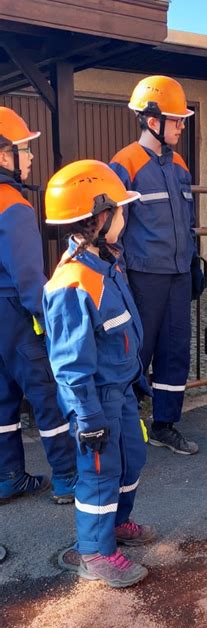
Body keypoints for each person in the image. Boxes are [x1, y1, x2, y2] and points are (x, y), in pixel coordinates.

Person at [43, 160, 156, 588]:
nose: (126, 218)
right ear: (100, 216)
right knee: (99, 473)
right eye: (121, 211)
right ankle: (93, 552)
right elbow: (71, 366)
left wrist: (136, 379)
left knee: (132, 460)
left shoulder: (105, 263)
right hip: (95, 403)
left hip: (120, 391)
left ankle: (116, 526)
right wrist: (88, 420)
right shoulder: (74, 282)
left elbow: (120, 331)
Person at [110, 75, 205, 456]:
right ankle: (127, 427)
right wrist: (118, 277)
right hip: (144, 277)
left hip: (179, 274)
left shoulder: (179, 164)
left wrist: (194, 260)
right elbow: (113, 228)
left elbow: (188, 219)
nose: (182, 126)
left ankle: (165, 424)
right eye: (176, 120)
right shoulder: (124, 164)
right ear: (153, 121)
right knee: (138, 351)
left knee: (175, 350)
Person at [0, 107, 76, 504]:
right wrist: (51, 323)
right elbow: (29, 280)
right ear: (3, 155)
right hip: (14, 315)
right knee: (45, 396)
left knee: (1, 401)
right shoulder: (14, 206)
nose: (30, 157)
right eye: (24, 149)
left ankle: (8, 476)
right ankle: (66, 477)